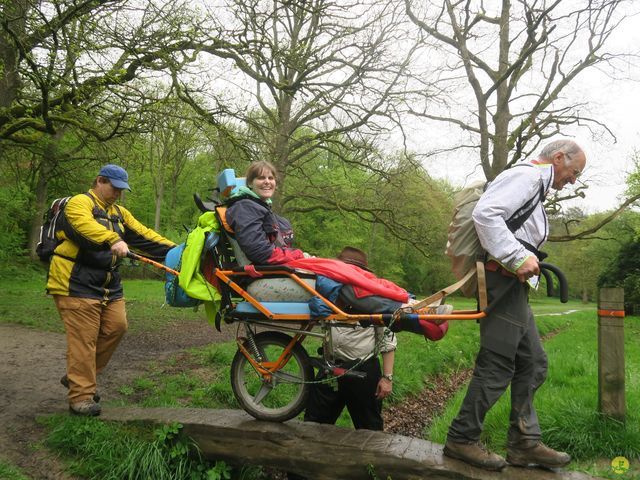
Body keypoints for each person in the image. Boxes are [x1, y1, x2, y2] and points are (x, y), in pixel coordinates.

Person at [443, 139, 586, 471]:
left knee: (533, 362)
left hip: (512, 284)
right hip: (501, 279)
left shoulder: (535, 186)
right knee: (497, 364)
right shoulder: (528, 176)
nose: (573, 179)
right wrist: (518, 256)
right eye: (573, 172)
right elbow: (486, 213)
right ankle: (462, 439)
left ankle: (524, 444)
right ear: (559, 157)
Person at [225, 161, 452, 338]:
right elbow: (259, 252)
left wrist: (300, 256)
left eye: (271, 177)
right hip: (266, 276)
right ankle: (413, 314)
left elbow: (272, 248)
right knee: (338, 280)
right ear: (250, 183)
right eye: (261, 178)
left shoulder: (258, 207)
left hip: (278, 269)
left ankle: (410, 303)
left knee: (349, 270)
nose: (267, 182)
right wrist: (297, 256)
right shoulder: (245, 207)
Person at [47, 164, 175, 416]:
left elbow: (145, 236)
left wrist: (181, 250)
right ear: (99, 181)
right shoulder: (78, 203)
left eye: (121, 189)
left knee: (118, 327)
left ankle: (78, 376)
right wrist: (113, 239)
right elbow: (84, 226)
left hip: (108, 284)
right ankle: (81, 397)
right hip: (75, 281)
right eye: (114, 187)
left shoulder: (119, 213)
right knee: (84, 340)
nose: (117, 193)